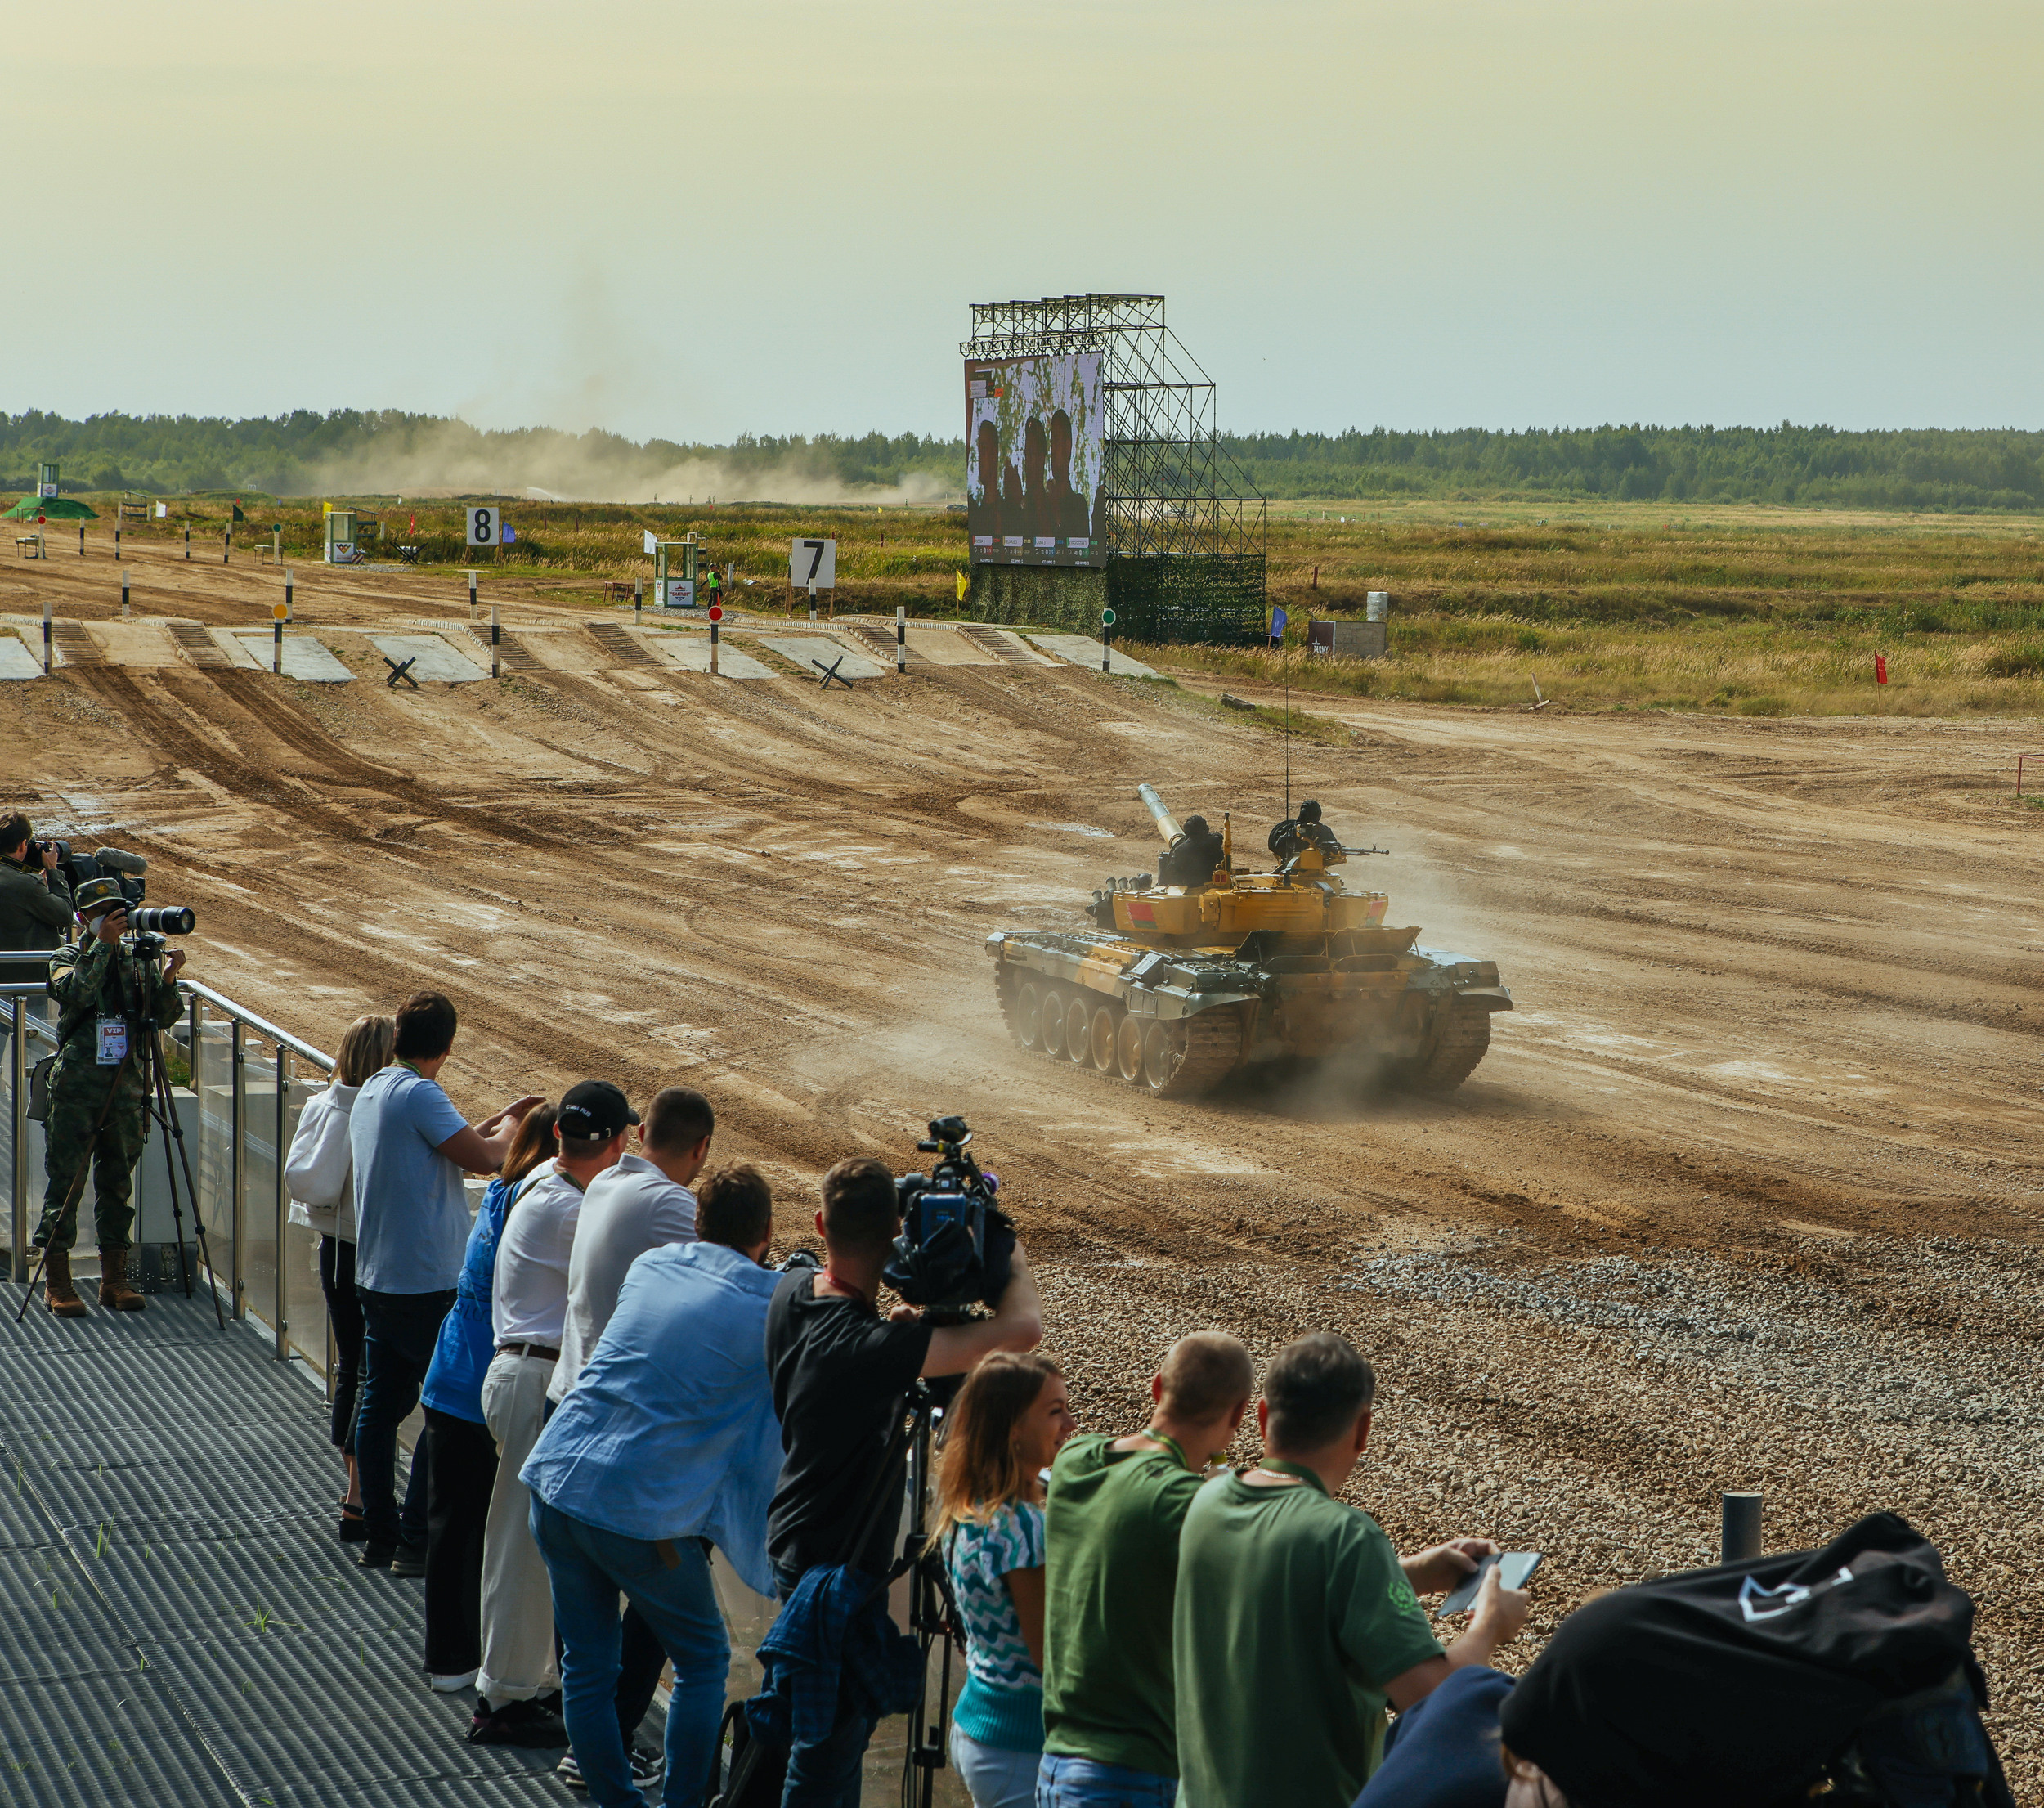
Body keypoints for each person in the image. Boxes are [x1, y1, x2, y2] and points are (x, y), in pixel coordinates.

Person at [764, 1155, 1044, 1804]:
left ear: (819, 1223)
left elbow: (847, 1341)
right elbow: (1022, 1330)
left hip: (797, 1537)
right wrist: (1006, 1246)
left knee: (823, 1727)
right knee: (827, 1743)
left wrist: (897, 1334)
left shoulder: (796, 1288)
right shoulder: (867, 1350)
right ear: (896, 1235)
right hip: (837, 1562)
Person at [1172, 1332, 1530, 1808]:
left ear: (1262, 1417)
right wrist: (1490, 1623)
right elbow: (1433, 1703)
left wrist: (1417, 1573)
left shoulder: (1208, 1503)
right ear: (1362, 1430)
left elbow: (1288, 1591)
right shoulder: (1346, 1538)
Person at [524, 1163, 783, 1808]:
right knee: (702, 1661)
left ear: (697, 1222)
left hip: (555, 1479)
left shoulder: (654, 1266)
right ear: (768, 1232)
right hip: (633, 1512)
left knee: (587, 1668)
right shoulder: (770, 1300)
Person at [545, 1083, 715, 1796]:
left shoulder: (609, 1180)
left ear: (641, 1131)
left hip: (569, 1414)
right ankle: (621, 1744)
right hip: (629, 1434)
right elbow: (717, 1284)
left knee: (589, 1645)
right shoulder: (672, 1204)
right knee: (680, 1626)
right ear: (701, 1149)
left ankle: (593, 1755)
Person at [349, 991, 540, 1573]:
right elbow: (484, 1158)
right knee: (447, 1404)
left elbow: (447, 1142)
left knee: (380, 1408)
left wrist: (492, 1121)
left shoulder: (380, 1086)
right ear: (448, 1046)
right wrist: (518, 1126)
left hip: (377, 1276)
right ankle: (416, 1539)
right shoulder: (419, 1092)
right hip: (424, 1283)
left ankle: (378, 1534)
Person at [471, 1079, 635, 1747]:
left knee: (530, 1546)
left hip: (524, 1370)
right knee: (521, 1548)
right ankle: (502, 1698)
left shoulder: (547, 1178)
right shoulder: (571, 1210)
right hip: (535, 1374)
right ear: (619, 1141)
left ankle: (523, 1683)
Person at [1038, 1332, 1255, 1808]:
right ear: (1240, 1415)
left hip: (1057, 1759)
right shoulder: (1189, 1505)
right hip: (1135, 1773)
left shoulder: (1078, 1461)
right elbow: (1279, 1579)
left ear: (1157, 1389)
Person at [417, 1102, 557, 1695]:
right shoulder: (541, 1205)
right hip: (487, 1382)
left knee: (453, 1527)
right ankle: (507, 1672)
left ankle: (450, 1660)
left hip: (451, 1374)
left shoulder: (501, 1193)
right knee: (503, 1537)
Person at [34, 875, 186, 1318]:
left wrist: (167, 977)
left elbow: (161, 1016)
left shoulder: (136, 960)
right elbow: (75, 992)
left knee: (118, 1185)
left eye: (118, 913)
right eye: (104, 915)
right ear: (83, 919)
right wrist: (100, 944)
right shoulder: (68, 957)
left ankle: (114, 1280)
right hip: (78, 1090)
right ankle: (58, 1283)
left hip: (125, 1090)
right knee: (66, 1185)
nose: (115, 922)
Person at [935, 1352, 1076, 1808]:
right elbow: (1047, 1655)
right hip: (1018, 1745)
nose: (1071, 1426)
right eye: (1056, 1412)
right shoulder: (1025, 1528)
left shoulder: (965, 1511)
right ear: (1013, 1428)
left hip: (978, 1724)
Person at [284, 1013, 395, 1543]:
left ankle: (354, 1489)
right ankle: (359, 1495)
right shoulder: (384, 1112)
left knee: (352, 1363)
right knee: (376, 1372)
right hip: (374, 1253)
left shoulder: (323, 1102)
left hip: (330, 1249)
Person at [0, 811, 73, 1000]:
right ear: (23, 844)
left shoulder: (24, 883)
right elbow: (64, 915)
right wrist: (52, 870)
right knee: (28, 1029)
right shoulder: (26, 885)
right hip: (24, 987)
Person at [1157, 815, 1225, 889]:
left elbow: (1171, 873)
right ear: (1206, 829)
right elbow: (1218, 836)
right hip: (1214, 886)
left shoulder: (1181, 850)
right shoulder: (1215, 843)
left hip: (1191, 889)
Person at [1267, 797, 1341, 863]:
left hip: (1315, 867)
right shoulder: (1292, 831)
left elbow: (1334, 848)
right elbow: (1278, 846)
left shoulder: (1323, 831)